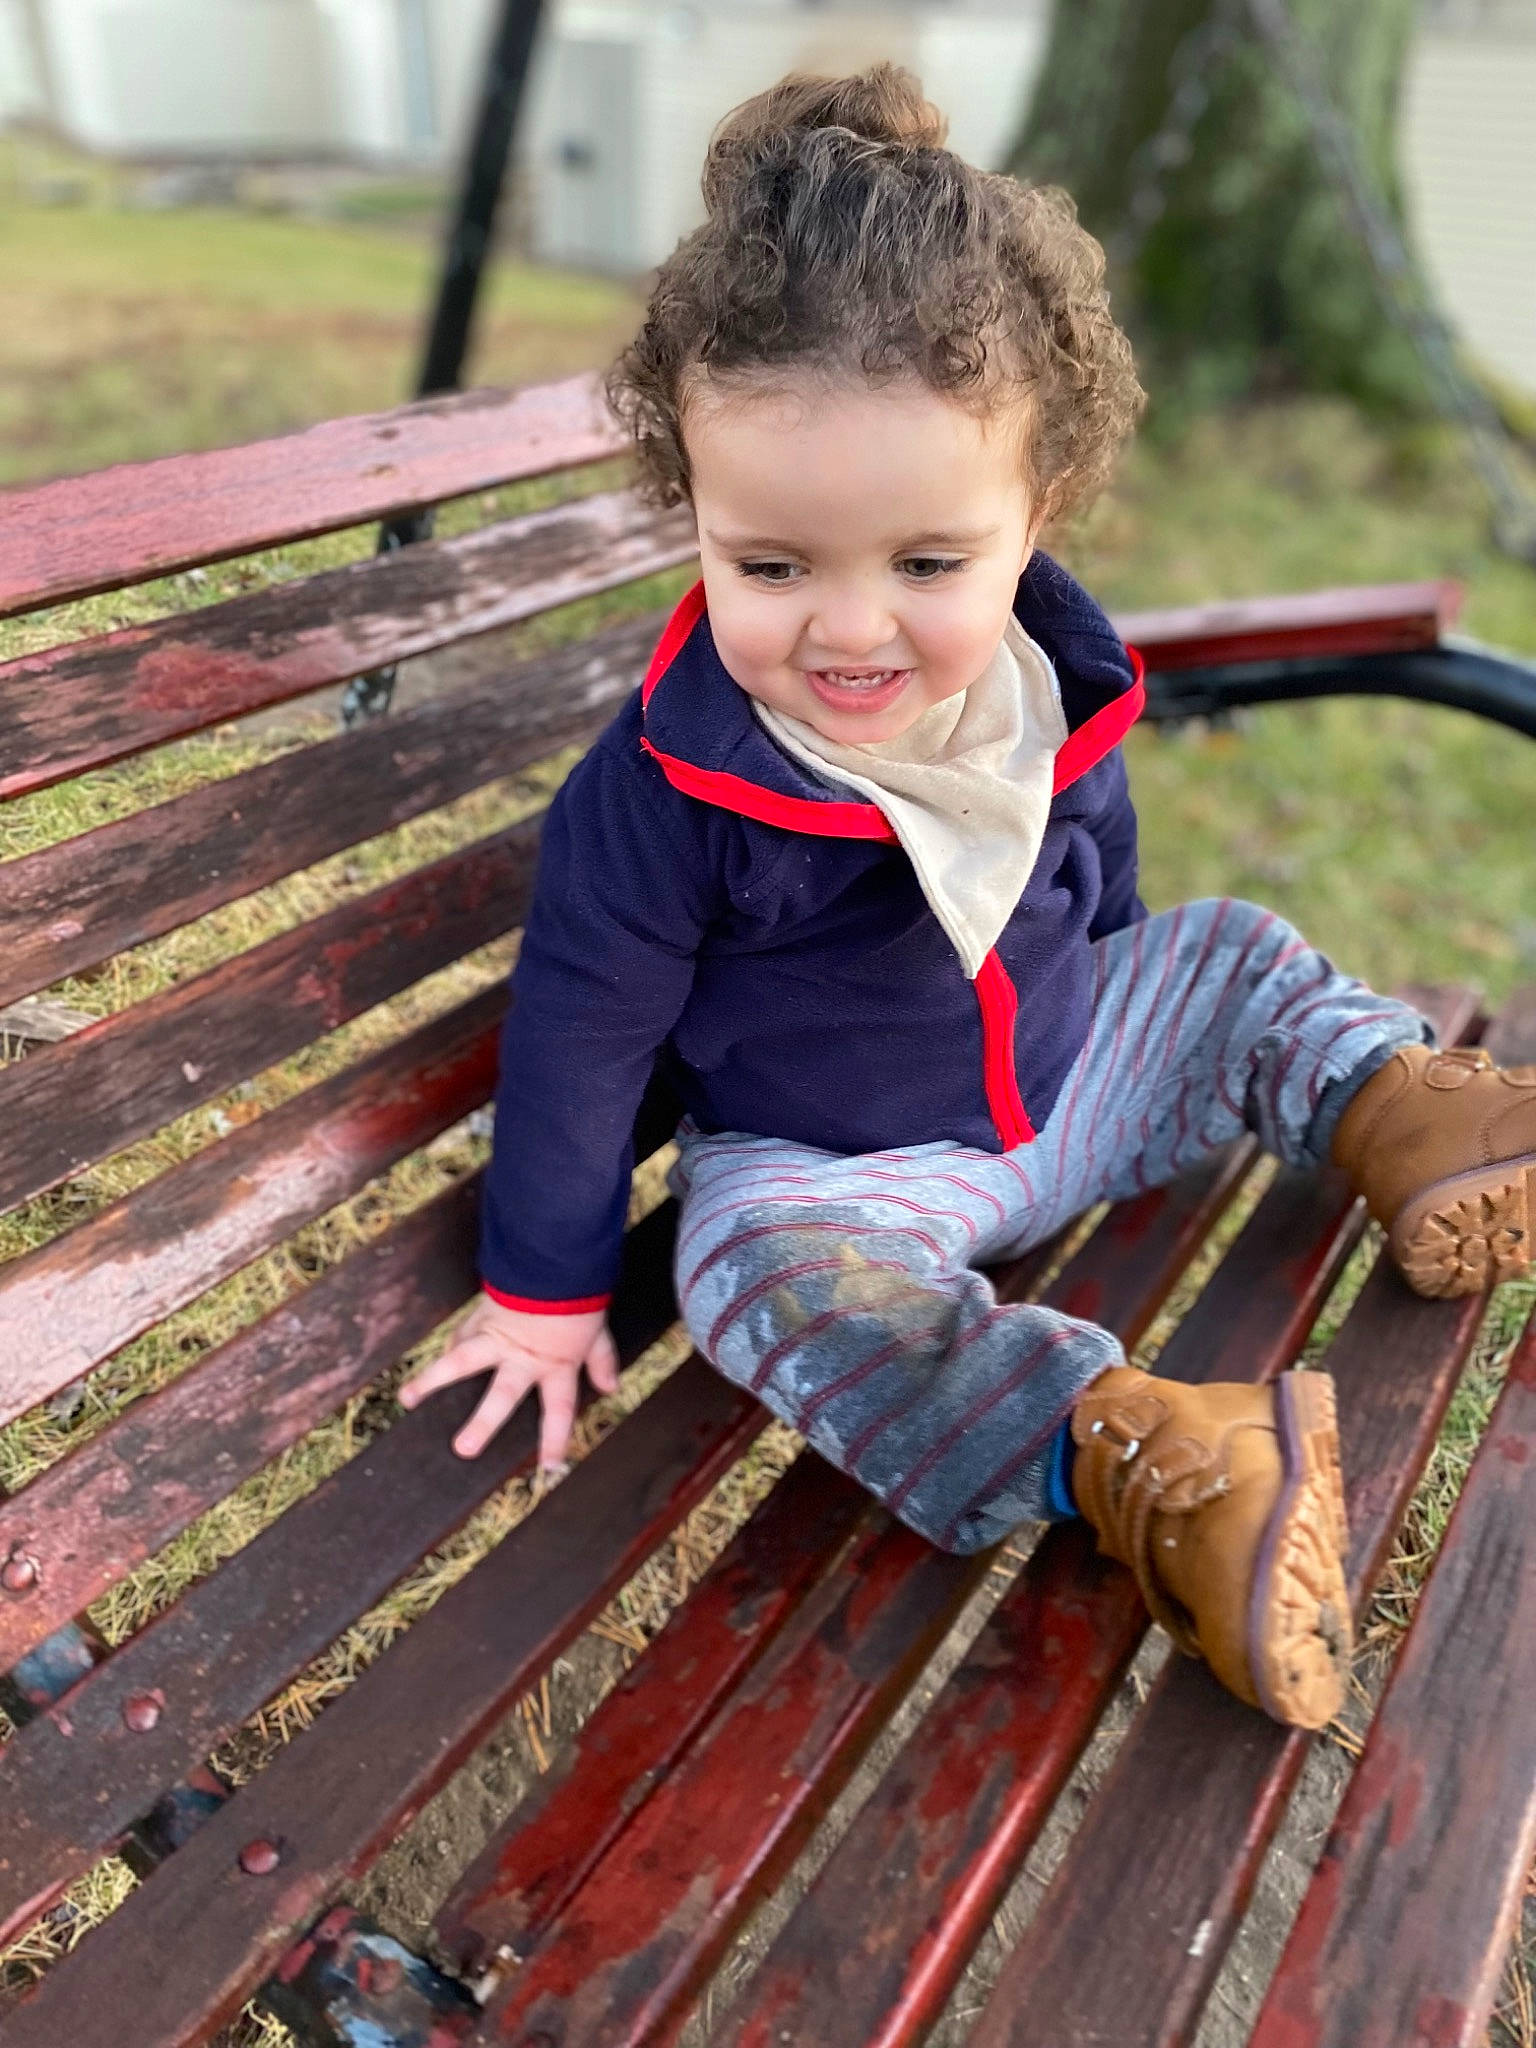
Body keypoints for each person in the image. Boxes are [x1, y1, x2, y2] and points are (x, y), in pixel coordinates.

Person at [401, 65, 1536, 1731]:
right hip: (844, 1172)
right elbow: (577, 1043)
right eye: (770, 566)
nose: (849, 630)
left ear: (1036, 515)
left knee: (1220, 956)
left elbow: (1105, 876)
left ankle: (1409, 1119)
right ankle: (1150, 1465)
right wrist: (543, 1287)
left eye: (927, 565)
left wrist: (1143, 991)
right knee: (745, 1272)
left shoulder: (1052, 679)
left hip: (1069, 1084)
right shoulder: (661, 795)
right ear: (695, 520)